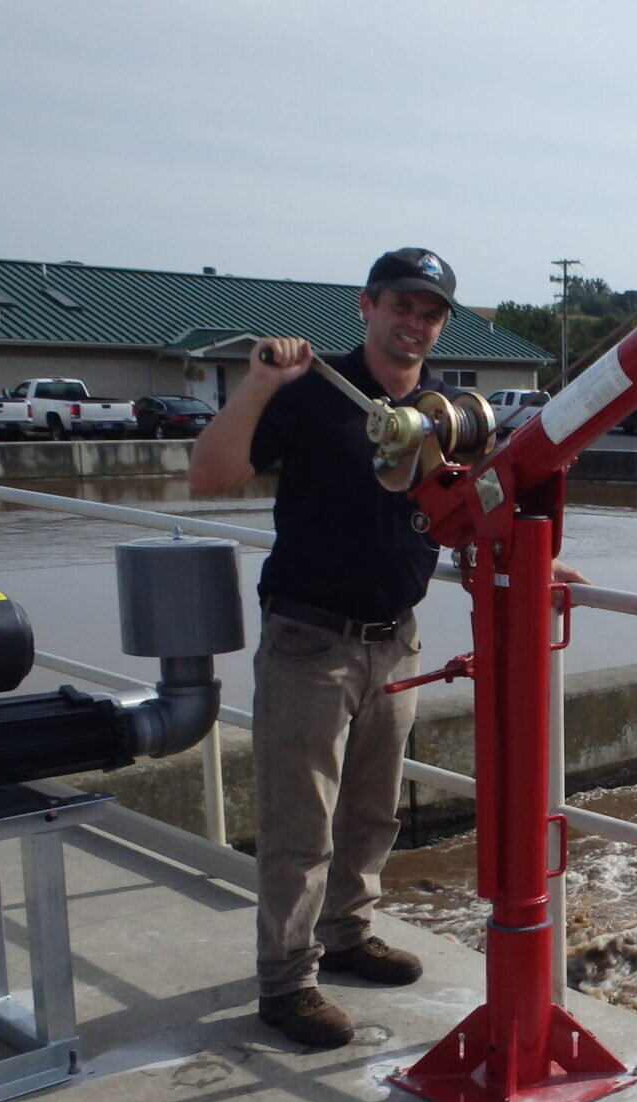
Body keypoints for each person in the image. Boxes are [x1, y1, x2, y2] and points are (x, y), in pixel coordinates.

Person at [190, 247, 581, 1047]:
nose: (415, 322)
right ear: (366, 307)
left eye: (430, 312)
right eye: (401, 305)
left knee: (370, 817)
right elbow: (211, 475)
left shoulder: (446, 420)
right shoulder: (309, 395)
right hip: (310, 639)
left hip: (396, 642)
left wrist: (537, 560)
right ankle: (286, 982)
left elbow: (470, 522)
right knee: (301, 827)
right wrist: (261, 381)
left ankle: (346, 935)